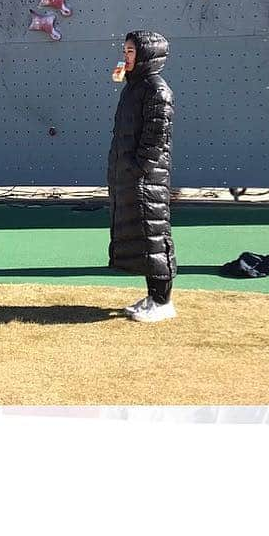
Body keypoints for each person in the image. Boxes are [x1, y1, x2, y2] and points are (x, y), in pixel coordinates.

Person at [106, 31, 177, 322]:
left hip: (146, 178)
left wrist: (137, 169)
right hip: (132, 176)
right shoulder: (136, 86)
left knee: (154, 236)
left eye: (131, 51)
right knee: (141, 235)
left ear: (147, 55)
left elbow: (155, 139)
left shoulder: (157, 90)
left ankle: (163, 301)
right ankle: (153, 296)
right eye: (125, 50)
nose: (126, 56)